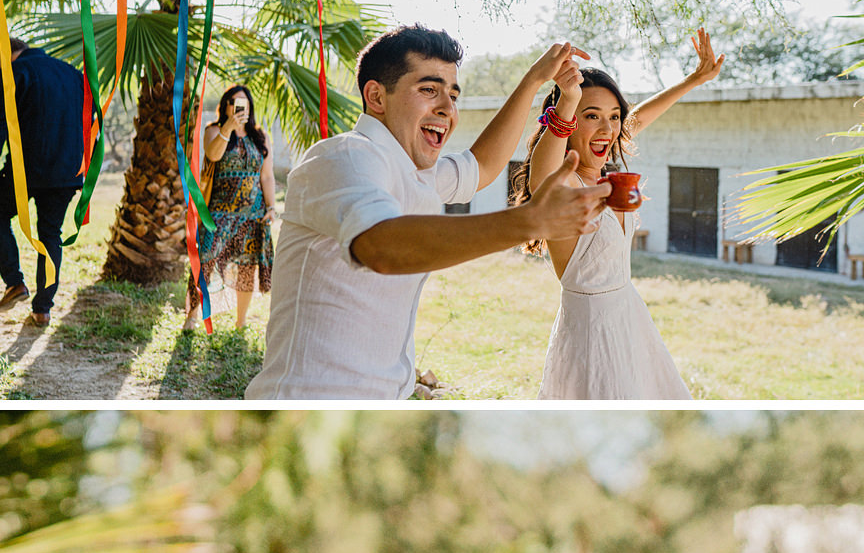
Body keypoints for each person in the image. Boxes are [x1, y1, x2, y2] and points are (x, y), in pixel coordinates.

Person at [244, 25, 610, 400]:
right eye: (428, 90)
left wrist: (533, 81)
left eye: (453, 94)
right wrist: (529, 221)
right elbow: (381, 246)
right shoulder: (346, 155)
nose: (447, 108)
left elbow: (482, 166)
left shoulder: (418, 171)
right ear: (376, 97)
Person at [514, 32, 725, 399]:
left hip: (629, 315)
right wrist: (568, 99)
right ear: (566, 120)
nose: (608, 128)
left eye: (613, 117)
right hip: (591, 329)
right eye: (591, 115)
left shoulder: (606, 175)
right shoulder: (561, 184)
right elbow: (544, 169)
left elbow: (637, 119)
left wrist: (694, 80)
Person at [0, 36, 87, 328]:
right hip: (66, 170)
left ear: (4, 56)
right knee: (50, 235)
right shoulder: (72, 74)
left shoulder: (12, 73)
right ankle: (42, 310)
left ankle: (15, 283)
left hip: (27, 168)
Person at [184, 84, 274, 332]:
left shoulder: (260, 136)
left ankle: (241, 321)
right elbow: (212, 156)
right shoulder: (214, 130)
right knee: (204, 262)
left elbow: (266, 176)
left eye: (243, 103)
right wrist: (228, 127)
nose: (238, 107)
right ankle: (192, 316)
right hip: (219, 212)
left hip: (253, 214)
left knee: (247, 268)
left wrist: (272, 207)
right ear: (225, 106)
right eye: (234, 102)